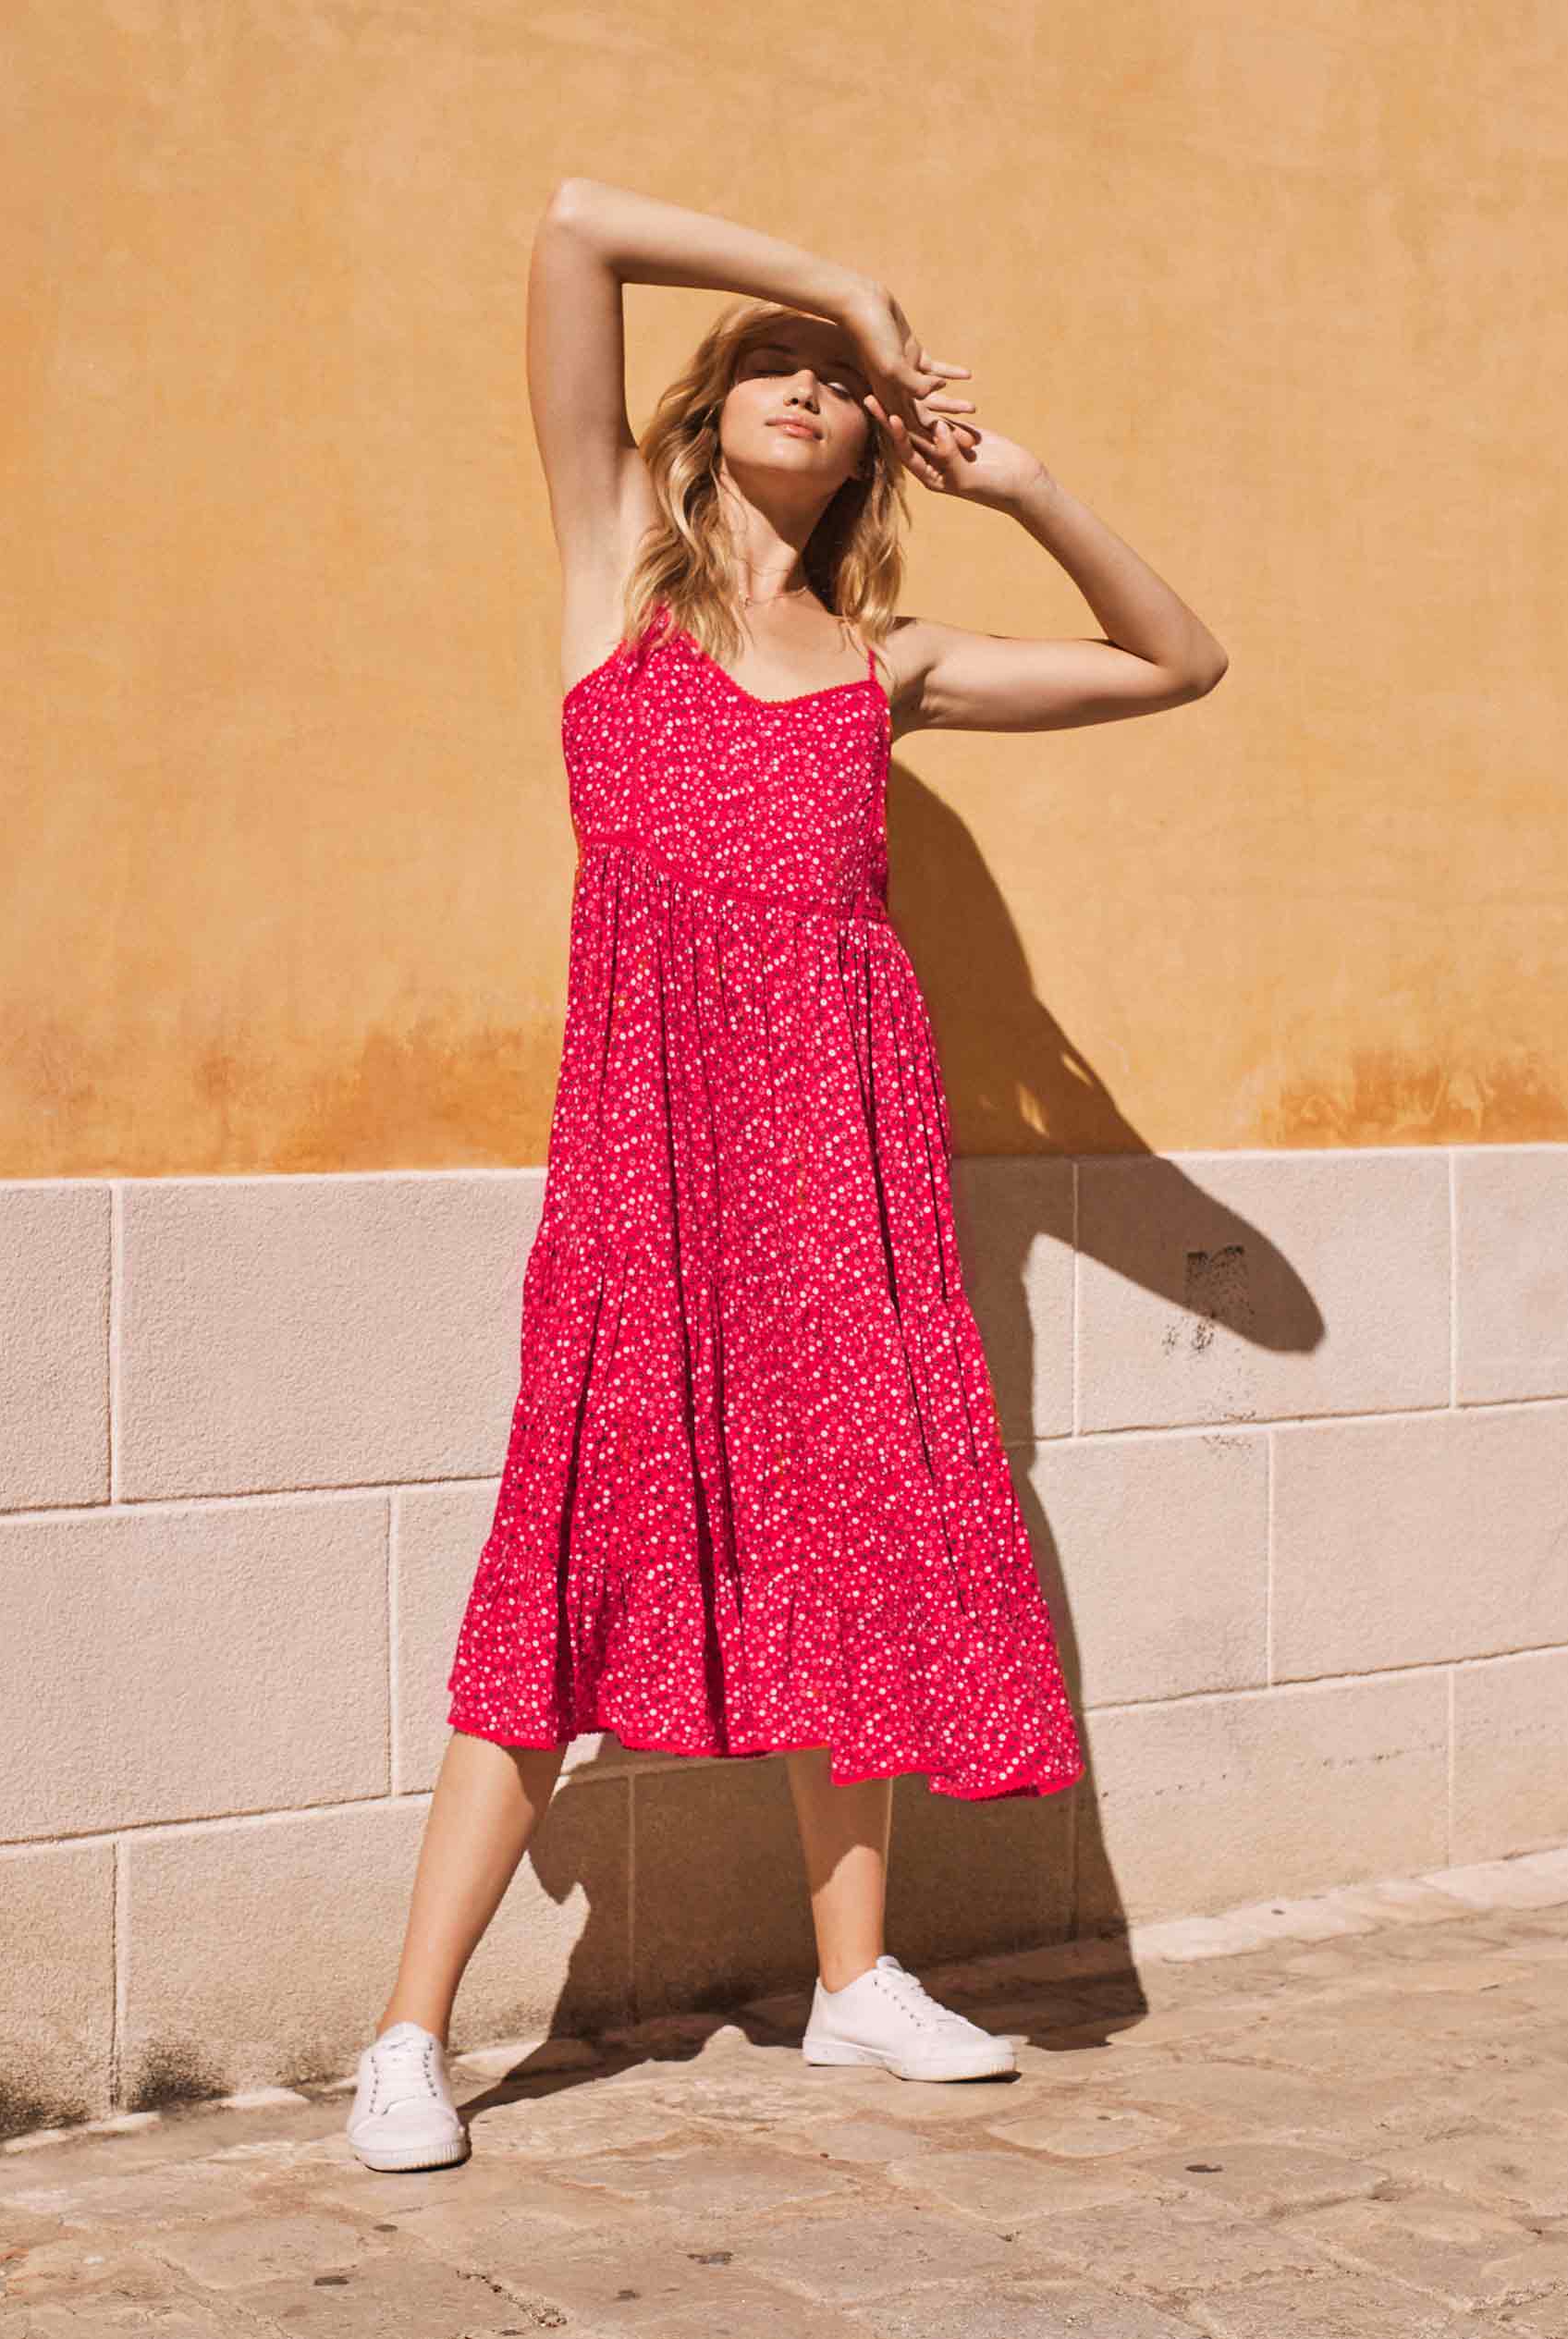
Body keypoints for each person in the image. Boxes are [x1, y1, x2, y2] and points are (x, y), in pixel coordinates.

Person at [347, 177, 1228, 2174]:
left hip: (842, 1161)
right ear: (706, 409)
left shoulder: (882, 664)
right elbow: (570, 230)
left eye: (839, 380)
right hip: (645, 1158)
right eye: (774, 364)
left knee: (859, 1545)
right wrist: (836, 283)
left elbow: (1177, 661)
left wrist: (1026, 483)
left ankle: (852, 1981)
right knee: (564, 1551)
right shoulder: (611, 573)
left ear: (867, 453)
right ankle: (407, 2035)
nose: (809, 384)